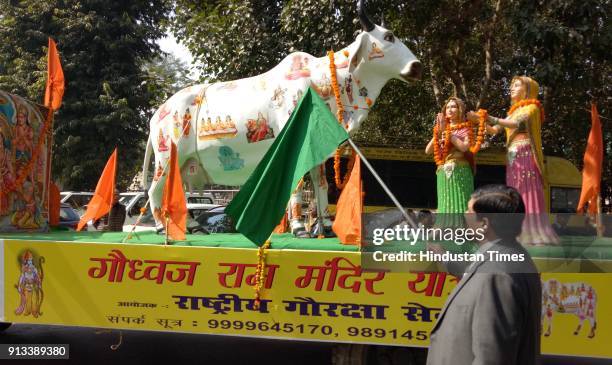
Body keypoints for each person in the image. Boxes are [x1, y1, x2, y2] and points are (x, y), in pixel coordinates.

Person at [427, 184, 541, 365]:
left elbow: (492, 356)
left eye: (468, 211)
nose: (464, 215)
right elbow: (475, 270)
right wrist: (445, 257)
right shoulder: (508, 255)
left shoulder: (497, 276)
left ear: (484, 223)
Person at [468, 76, 558, 245]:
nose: (512, 88)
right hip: (512, 156)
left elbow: (515, 124)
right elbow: (494, 130)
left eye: (517, 85)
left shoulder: (533, 107)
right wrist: (478, 120)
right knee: (514, 191)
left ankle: (531, 230)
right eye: (512, 86)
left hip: (525, 153)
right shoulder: (512, 111)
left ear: (528, 89)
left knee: (527, 190)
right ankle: (513, 229)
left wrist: (488, 117)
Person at [426, 97, 474, 227]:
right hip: (443, 170)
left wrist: (448, 134)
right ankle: (444, 229)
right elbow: (428, 150)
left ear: (460, 110)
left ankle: (461, 228)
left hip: (460, 169)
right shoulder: (441, 129)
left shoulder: (466, 128)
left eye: (453, 107)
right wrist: (438, 133)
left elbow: (464, 147)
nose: (450, 109)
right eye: (448, 107)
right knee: (445, 201)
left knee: (460, 200)